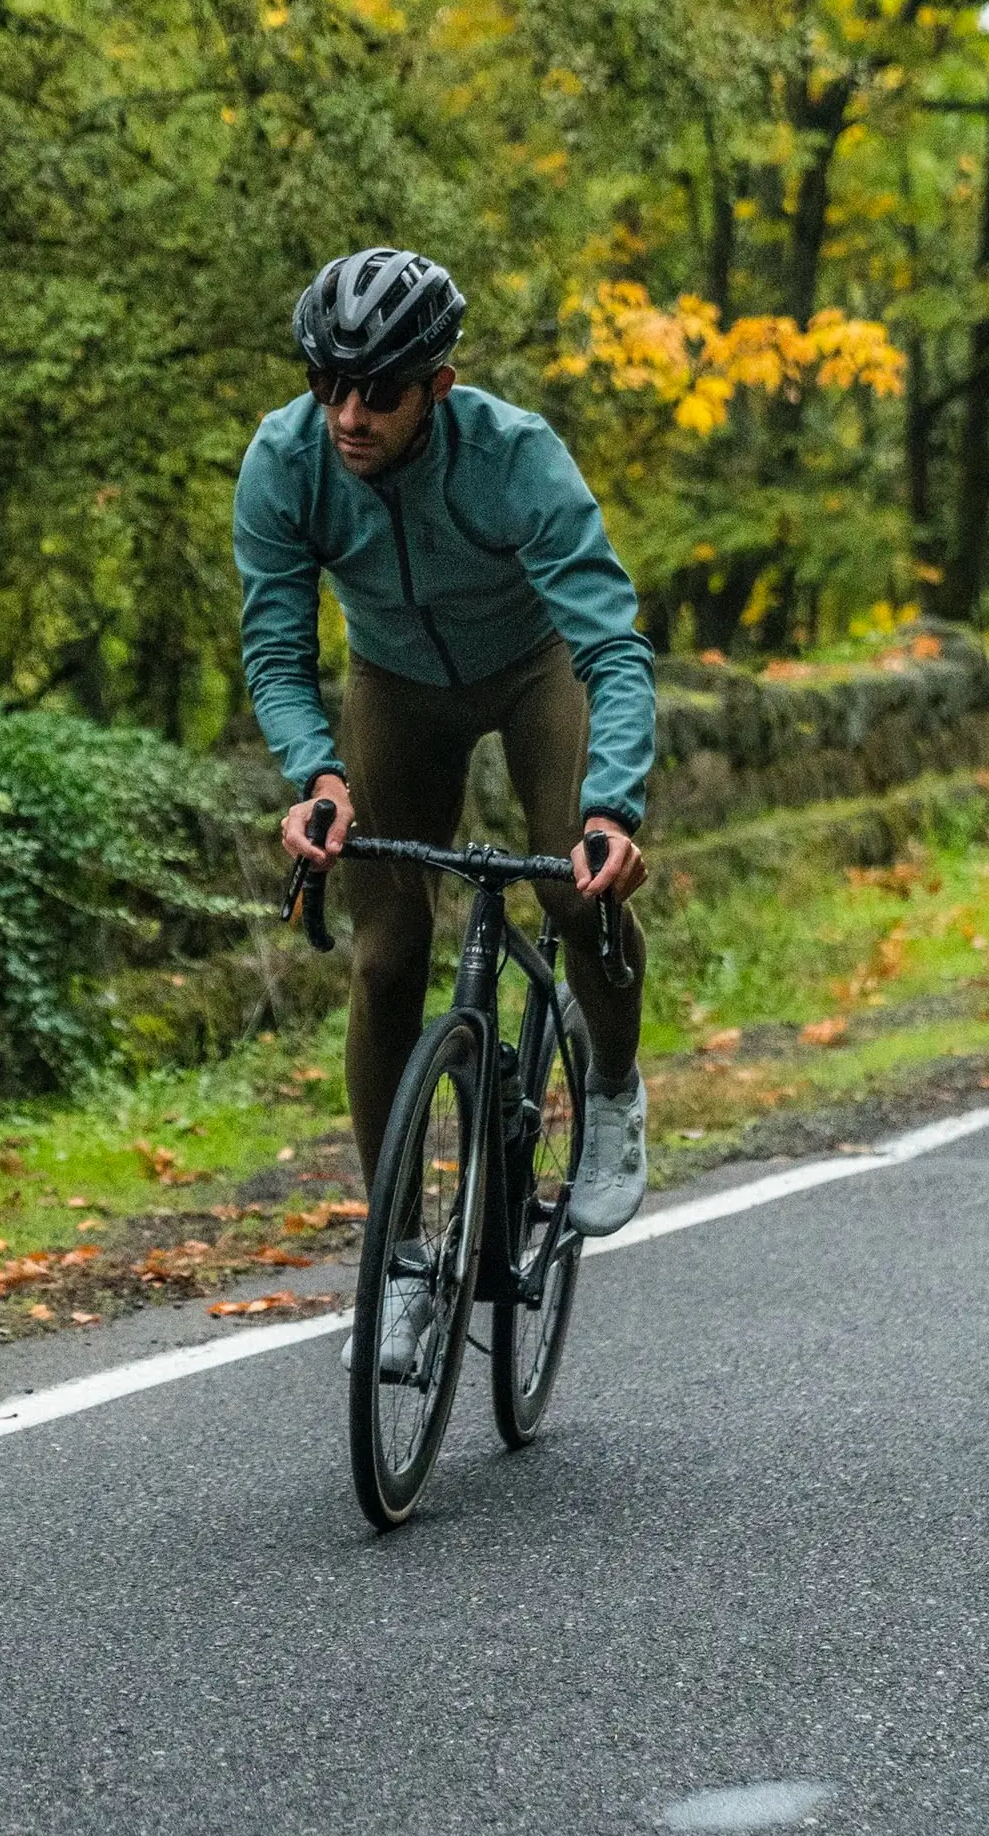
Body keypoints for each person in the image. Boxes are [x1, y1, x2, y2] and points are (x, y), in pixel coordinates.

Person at [234, 247, 655, 1282]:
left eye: (378, 392)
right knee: (384, 959)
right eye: (326, 385)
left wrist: (614, 806)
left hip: (532, 666)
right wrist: (317, 778)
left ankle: (610, 1089)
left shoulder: (516, 456)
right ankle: (402, 1260)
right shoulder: (285, 462)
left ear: (438, 388)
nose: (348, 415)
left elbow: (611, 647)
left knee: (572, 887)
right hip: (395, 683)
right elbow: (278, 652)